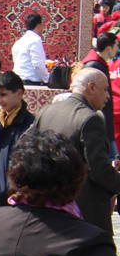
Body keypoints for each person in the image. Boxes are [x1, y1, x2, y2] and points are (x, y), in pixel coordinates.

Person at [30, 68, 120, 234]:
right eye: (105, 90)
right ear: (91, 87)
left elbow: (28, 147)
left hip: (49, 202)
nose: (108, 96)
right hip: (83, 208)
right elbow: (98, 169)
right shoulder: (89, 118)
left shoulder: (47, 111)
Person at [81, 31, 118, 156]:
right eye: (116, 45)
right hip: (99, 120)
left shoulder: (98, 63)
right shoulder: (94, 66)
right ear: (108, 48)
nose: (117, 49)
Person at [10, 12, 49, 85]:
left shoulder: (18, 42)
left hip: (18, 80)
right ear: (39, 25)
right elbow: (37, 64)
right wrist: (47, 79)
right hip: (30, 81)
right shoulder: (35, 40)